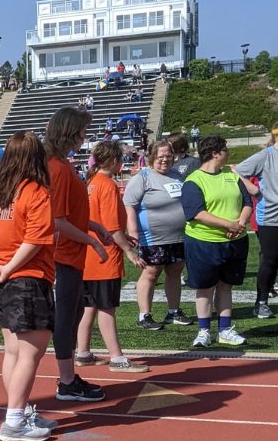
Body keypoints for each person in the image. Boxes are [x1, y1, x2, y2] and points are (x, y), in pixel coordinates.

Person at [0, 132, 55, 441]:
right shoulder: (36, 192)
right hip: (27, 277)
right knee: (30, 353)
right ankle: (14, 419)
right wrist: (9, 268)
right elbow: (36, 239)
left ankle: (18, 410)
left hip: (1, 278)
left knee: (13, 351)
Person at [45, 107, 112, 403]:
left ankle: (69, 377)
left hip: (71, 253)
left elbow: (70, 214)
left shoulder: (62, 163)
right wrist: (93, 241)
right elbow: (57, 221)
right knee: (65, 318)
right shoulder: (57, 168)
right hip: (63, 254)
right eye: (83, 130)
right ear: (70, 132)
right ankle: (67, 381)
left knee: (71, 317)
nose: (85, 137)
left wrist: (94, 226)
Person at [75, 141, 150, 372]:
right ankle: (117, 358)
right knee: (106, 308)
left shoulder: (90, 183)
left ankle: (83, 353)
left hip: (88, 256)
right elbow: (111, 226)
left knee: (89, 307)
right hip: (104, 257)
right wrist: (128, 250)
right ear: (115, 161)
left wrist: (125, 237)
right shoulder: (106, 185)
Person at [182, 136, 252, 347]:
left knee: (226, 286)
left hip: (235, 241)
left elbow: (247, 202)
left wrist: (238, 224)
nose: (227, 153)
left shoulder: (232, 176)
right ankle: (204, 330)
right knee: (205, 288)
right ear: (215, 153)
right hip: (204, 242)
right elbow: (196, 213)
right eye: (225, 149)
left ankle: (225, 329)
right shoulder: (194, 180)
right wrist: (227, 225)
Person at [123, 140, 193, 330]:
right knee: (151, 272)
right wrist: (133, 232)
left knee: (175, 270)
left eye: (168, 156)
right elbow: (129, 205)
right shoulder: (142, 178)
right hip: (152, 237)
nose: (165, 160)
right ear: (152, 157)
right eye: (161, 156)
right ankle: (144, 315)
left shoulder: (177, 176)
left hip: (178, 236)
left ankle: (173, 312)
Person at [234, 124, 278, 318]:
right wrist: (252, 189)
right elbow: (236, 171)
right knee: (270, 260)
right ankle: (261, 302)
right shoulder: (265, 156)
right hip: (271, 217)